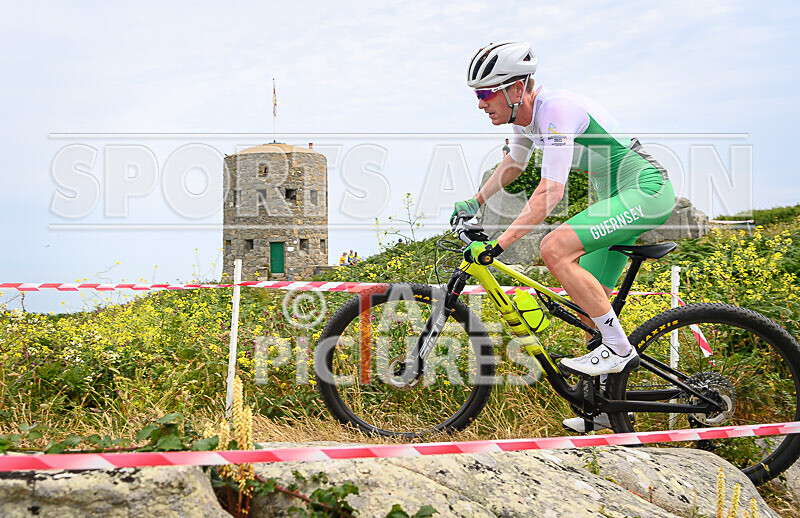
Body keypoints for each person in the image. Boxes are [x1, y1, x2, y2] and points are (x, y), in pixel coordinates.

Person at [452, 41, 675, 432]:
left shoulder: (554, 110)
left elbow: (550, 191)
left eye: (486, 93)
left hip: (644, 187)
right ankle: (611, 409)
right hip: (614, 194)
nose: (480, 103)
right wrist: (474, 200)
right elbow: (515, 164)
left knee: (553, 247)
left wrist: (499, 245)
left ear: (516, 89)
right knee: (592, 308)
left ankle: (620, 351)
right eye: (477, 94)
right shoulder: (525, 120)